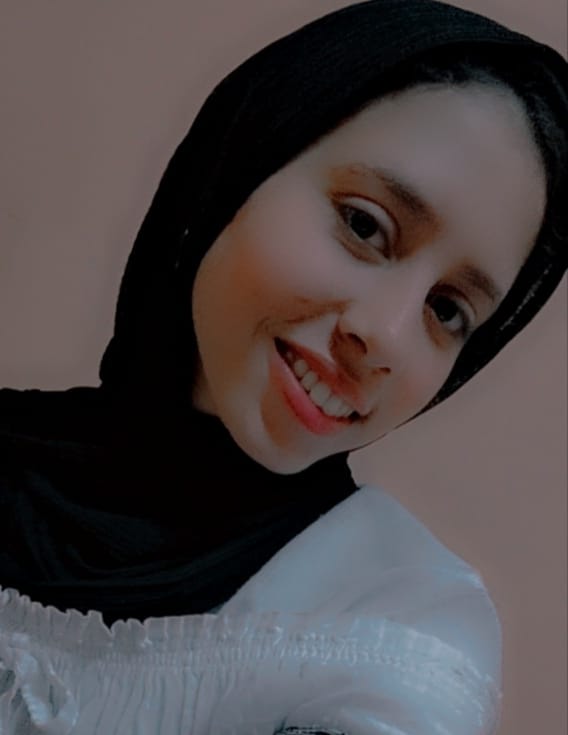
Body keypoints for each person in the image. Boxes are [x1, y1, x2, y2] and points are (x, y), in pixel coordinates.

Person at [0, 0, 566, 732]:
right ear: (239, 164)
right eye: (365, 225)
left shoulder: (395, 630)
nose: (388, 338)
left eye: (448, 310)